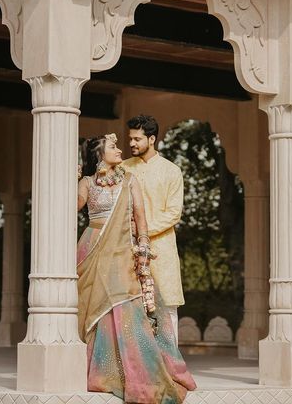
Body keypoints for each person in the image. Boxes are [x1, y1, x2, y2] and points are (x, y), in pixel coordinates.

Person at [77, 133, 196, 404]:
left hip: (123, 251)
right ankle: (98, 372)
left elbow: (140, 219)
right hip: (93, 247)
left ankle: (132, 373)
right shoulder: (86, 182)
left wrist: (142, 249)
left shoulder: (129, 180)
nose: (119, 150)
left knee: (126, 308)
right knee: (94, 308)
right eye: (113, 147)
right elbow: (74, 207)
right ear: (99, 154)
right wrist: (72, 178)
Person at [123, 115, 184, 345]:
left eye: (137, 139)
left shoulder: (171, 171)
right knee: (132, 307)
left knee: (167, 307)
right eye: (131, 139)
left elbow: (173, 213)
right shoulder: (123, 168)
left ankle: (172, 368)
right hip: (128, 247)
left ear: (152, 139)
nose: (132, 144)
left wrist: (144, 231)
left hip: (162, 248)